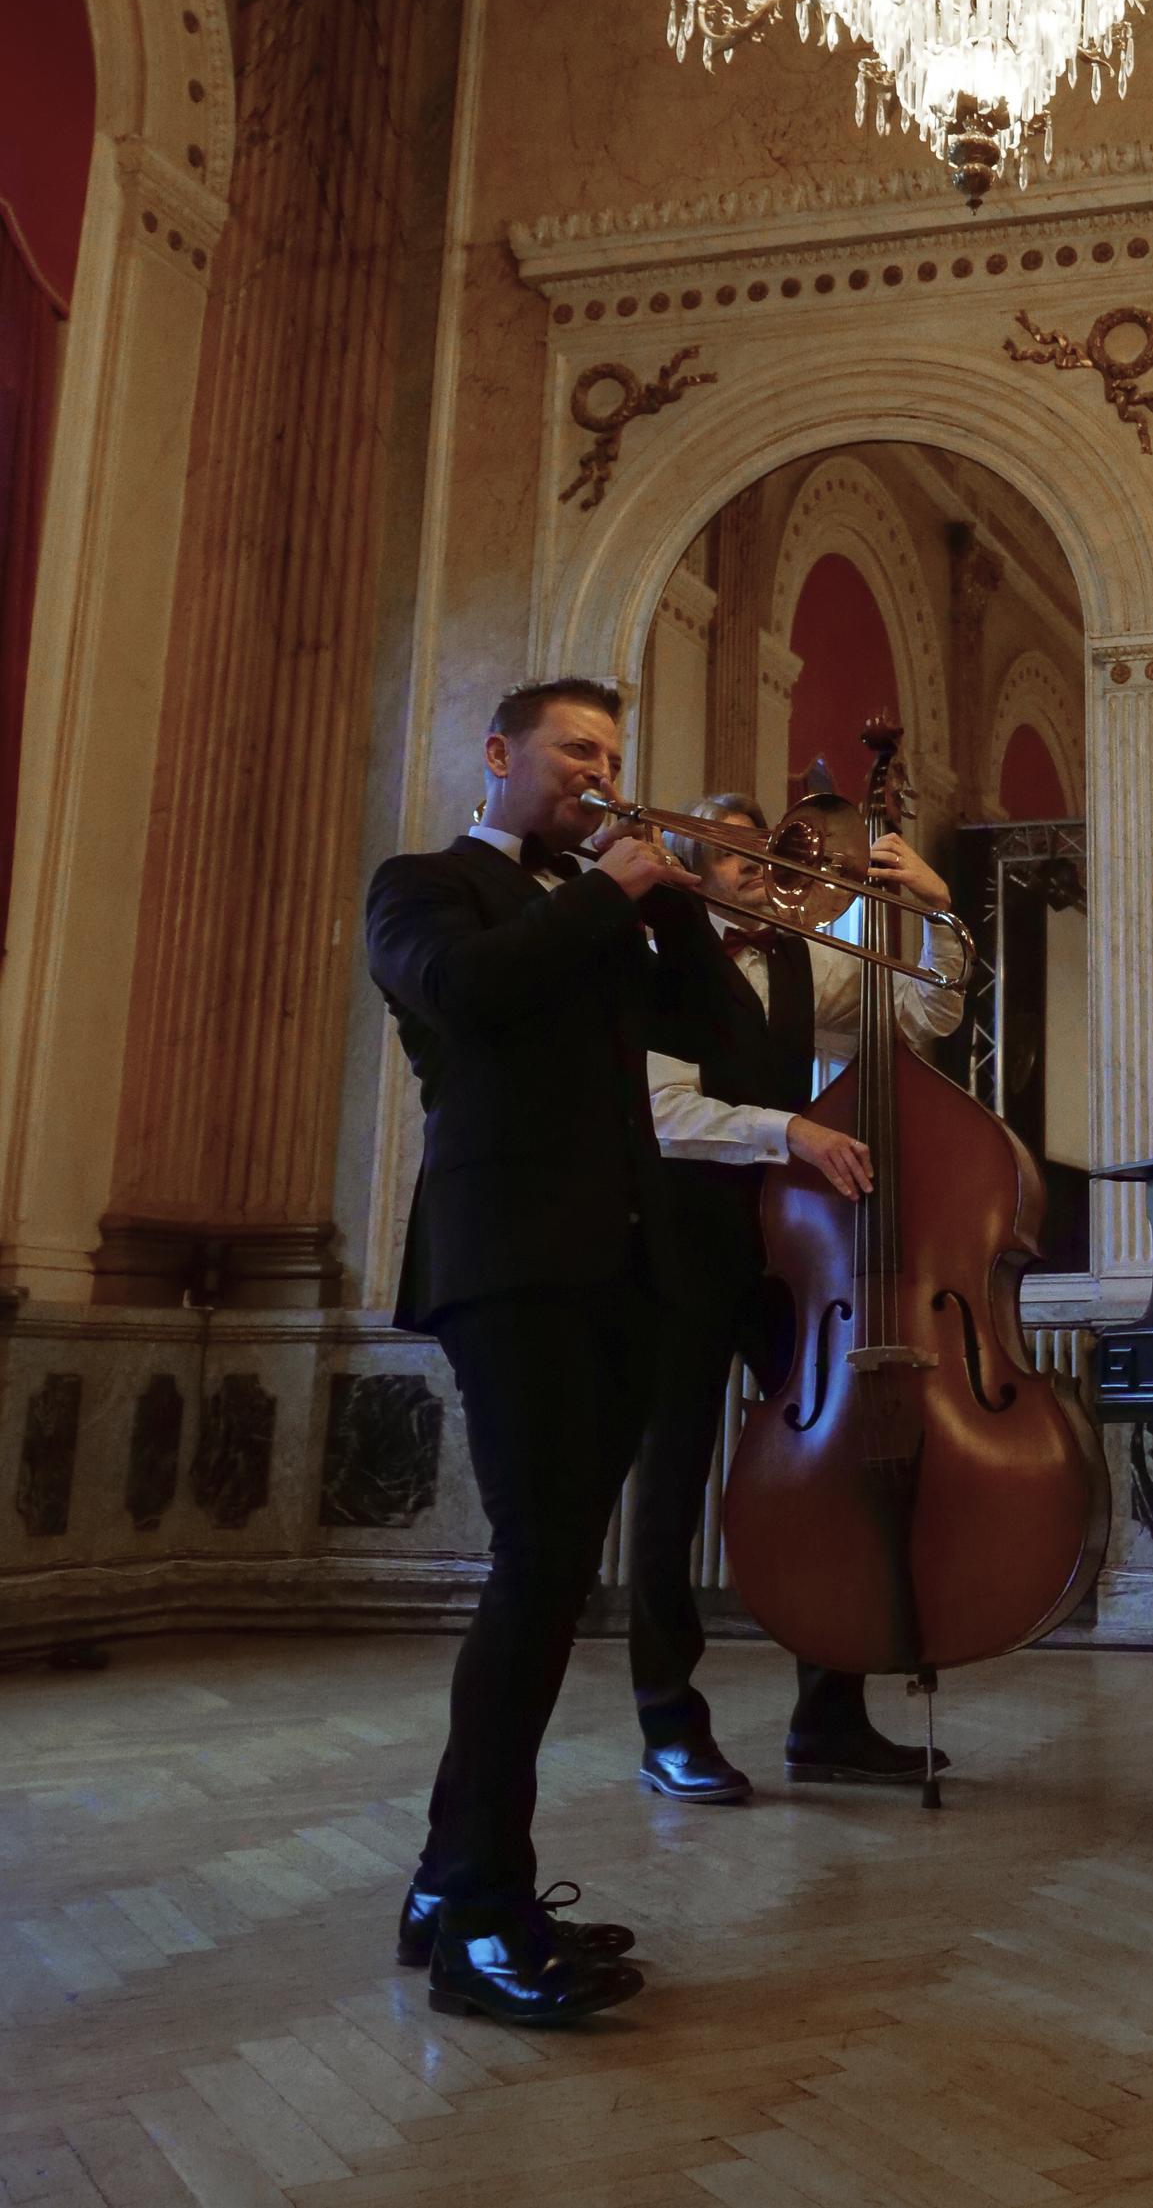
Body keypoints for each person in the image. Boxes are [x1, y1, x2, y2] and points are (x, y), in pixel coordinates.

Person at [367, 678, 758, 2029]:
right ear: (499, 753)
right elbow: (465, 996)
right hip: (508, 1260)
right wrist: (605, 893)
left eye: (612, 753)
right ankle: (482, 1910)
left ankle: (447, 1887)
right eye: (575, 749)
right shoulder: (426, 886)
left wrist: (677, 907)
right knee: (536, 1566)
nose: (599, 771)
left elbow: (730, 1045)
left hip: (621, 1270)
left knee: (551, 1576)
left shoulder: (598, 911)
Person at [629, 787, 968, 1798]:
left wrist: (935, 912)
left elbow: (924, 1013)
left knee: (838, 1467)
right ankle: (667, 1724)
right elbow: (665, 1114)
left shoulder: (797, 957)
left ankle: (829, 1717)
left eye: (762, 846)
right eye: (732, 849)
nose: (760, 862)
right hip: (682, 1246)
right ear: (689, 865)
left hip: (789, 1254)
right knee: (671, 1483)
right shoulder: (653, 952)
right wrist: (793, 1131)